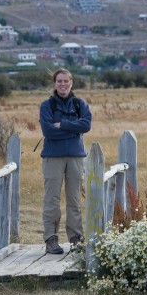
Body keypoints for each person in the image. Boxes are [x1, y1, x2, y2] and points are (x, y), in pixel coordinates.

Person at [39, 68, 92, 254]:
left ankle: (76, 238)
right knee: (52, 199)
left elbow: (86, 125)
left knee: (74, 200)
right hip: (53, 158)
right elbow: (48, 131)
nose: (62, 84)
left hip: (76, 157)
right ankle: (51, 239)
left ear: (71, 83)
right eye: (59, 81)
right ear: (54, 84)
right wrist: (73, 129)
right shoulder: (47, 106)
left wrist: (62, 125)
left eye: (66, 81)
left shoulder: (80, 104)